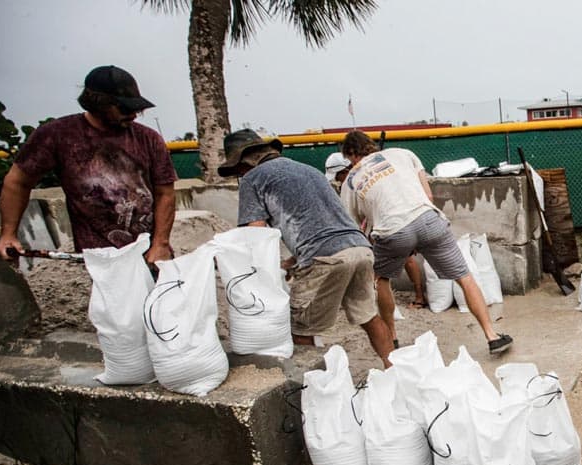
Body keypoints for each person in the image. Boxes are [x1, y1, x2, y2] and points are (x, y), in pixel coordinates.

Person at [218, 129, 393, 363]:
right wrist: (292, 261)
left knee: (301, 328)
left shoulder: (253, 178)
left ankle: (312, 390)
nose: (239, 175)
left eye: (237, 171)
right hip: (359, 248)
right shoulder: (308, 170)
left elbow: (255, 233)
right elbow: (323, 222)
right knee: (368, 317)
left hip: (324, 258)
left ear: (244, 162)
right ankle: (396, 372)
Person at [338, 130, 513, 357]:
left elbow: (353, 225)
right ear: (370, 146)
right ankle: (492, 336)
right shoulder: (403, 153)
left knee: (381, 279)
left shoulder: (350, 180)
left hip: (392, 232)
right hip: (428, 221)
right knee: (464, 277)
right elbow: (428, 195)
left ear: (351, 154)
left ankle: (392, 337)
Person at [0, 65, 176, 265]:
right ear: (98, 103)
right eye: (124, 108)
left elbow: (165, 193)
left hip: (149, 254)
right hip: (100, 258)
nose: (133, 114)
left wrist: (161, 244)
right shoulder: (58, 136)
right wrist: (8, 234)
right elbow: (17, 182)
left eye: (136, 108)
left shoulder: (148, 139)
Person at [326, 149, 428, 314]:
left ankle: (419, 297)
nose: (338, 182)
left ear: (345, 170)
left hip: (389, 220)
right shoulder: (352, 182)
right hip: (375, 222)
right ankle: (375, 300)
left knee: (405, 259)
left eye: (338, 177)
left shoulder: (361, 176)